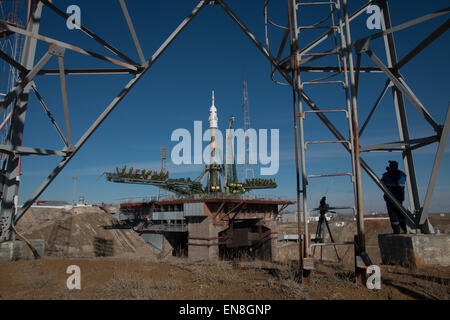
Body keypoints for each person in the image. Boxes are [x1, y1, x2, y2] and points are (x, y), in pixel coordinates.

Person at [381, 160, 407, 234]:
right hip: (399, 199)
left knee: (393, 216)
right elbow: (403, 179)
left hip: (390, 199)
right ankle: (405, 229)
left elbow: (382, 182)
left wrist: (389, 172)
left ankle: (396, 231)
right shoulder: (402, 175)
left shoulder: (386, 176)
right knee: (400, 214)